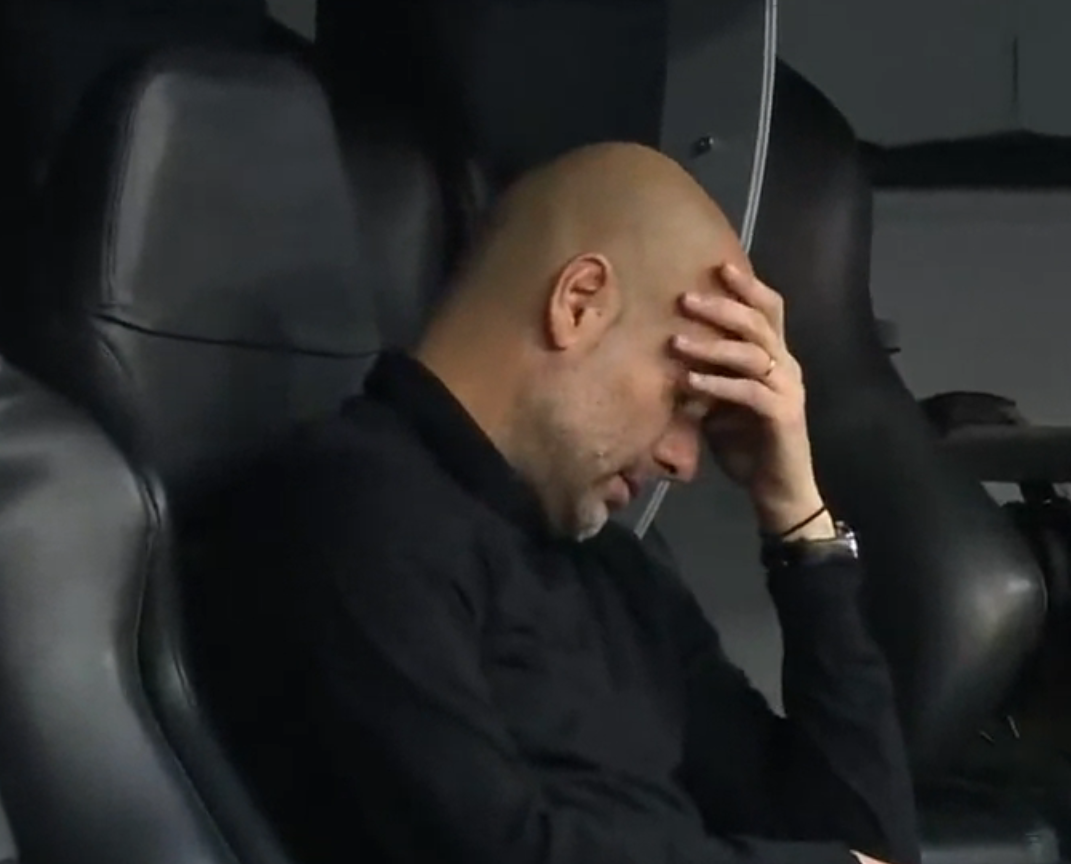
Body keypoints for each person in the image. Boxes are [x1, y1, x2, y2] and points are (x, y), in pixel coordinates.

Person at [236, 142, 919, 864]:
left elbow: (867, 844)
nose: (685, 462)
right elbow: (484, 850)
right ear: (580, 303)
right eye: (682, 401)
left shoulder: (616, 570)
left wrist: (798, 520)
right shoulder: (356, 512)